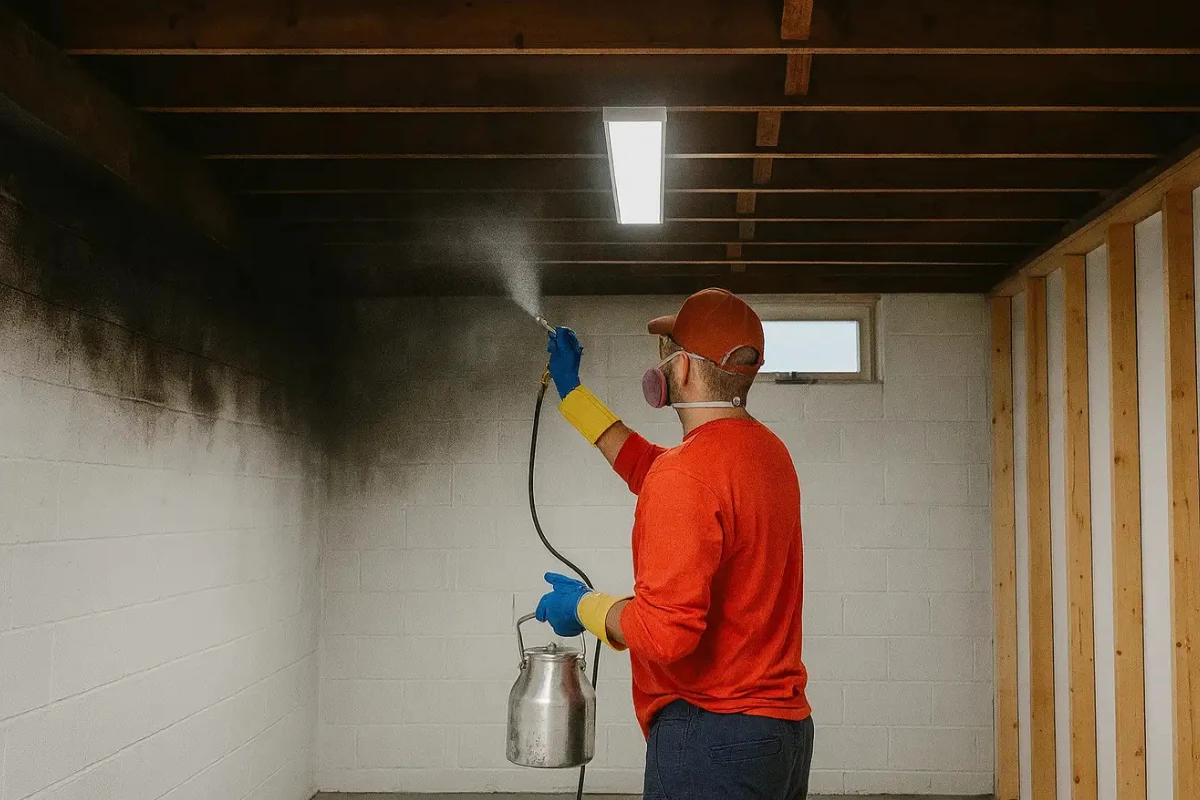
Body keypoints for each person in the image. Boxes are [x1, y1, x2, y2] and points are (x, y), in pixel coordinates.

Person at [534, 288, 813, 799]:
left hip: (710, 737)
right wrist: (574, 396)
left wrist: (583, 607)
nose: (661, 364)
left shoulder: (686, 474)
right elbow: (649, 467)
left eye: (667, 351)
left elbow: (666, 636)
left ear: (682, 369)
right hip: (780, 735)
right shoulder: (770, 455)